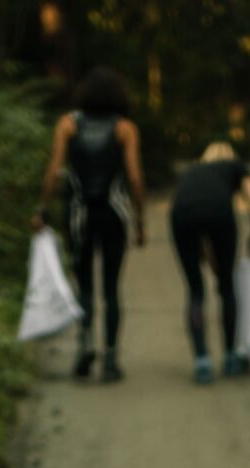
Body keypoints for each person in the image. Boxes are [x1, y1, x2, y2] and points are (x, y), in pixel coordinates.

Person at [34, 67, 147, 382]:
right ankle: (110, 358)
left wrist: (41, 208)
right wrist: (140, 220)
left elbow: (55, 170)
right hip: (114, 214)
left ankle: (84, 345)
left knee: (84, 284)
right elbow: (135, 178)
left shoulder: (68, 125)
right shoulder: (124, 129)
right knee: (111, 288)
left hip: (78, 215)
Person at [169, 140, 250, 383]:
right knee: (227, 287)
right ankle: (230, 356)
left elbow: (198, 222)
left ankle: (202, 360)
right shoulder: (236, 166)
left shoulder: (192, 171)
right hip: (219, 215)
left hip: (180, 215)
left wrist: (209, 258)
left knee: (195, 290)